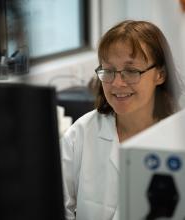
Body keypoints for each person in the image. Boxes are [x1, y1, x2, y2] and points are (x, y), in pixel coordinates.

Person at [60, 20, 183, 220]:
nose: (117, 83)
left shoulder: (179, 138)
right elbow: (56, 205)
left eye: (131, 71)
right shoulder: (82, 132)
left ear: (160, 74)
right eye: (108, 71)